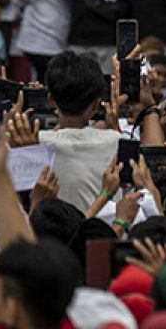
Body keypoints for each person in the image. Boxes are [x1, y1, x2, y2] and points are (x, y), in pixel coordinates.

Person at [35, 51, 122, 212]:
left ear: (51, 100)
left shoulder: (36, 143)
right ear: (96, 105)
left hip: (52, 234)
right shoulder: (119, 142)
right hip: (109, 233)